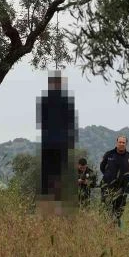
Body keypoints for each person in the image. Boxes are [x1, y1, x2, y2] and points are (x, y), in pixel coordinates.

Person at [36, 71, 76, 212]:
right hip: (55, 143)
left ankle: (53, 204)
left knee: (53, 175)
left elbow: (68, 123)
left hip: (52, 143)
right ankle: (51, 204)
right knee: (54, 175)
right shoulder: (58, 101)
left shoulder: (49, 100)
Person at [100, 135, 129, 227]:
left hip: (122, 188)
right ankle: (106, 227)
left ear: (126, 144)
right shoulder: (109, 154)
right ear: (116, 143)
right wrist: (109, 177)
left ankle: (116, 227)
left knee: (119, 209)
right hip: (108, 187)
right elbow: (102, 168)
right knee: (106, 208)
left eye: (123, 142)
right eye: (120, 142)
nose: (121, 144)